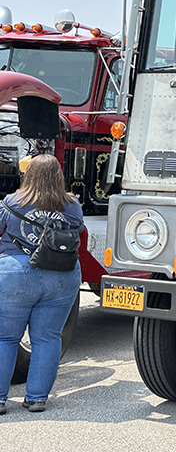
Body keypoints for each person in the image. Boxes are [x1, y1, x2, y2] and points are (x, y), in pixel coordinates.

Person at [0, 154, 83, 415]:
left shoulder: (12, 202)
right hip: (62, 275)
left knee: (5, 338)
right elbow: (79, 230)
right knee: (48, 337)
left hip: (16, 273)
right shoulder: (73, 205)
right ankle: (37, 399)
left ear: (28, 175)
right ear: (59, 176)